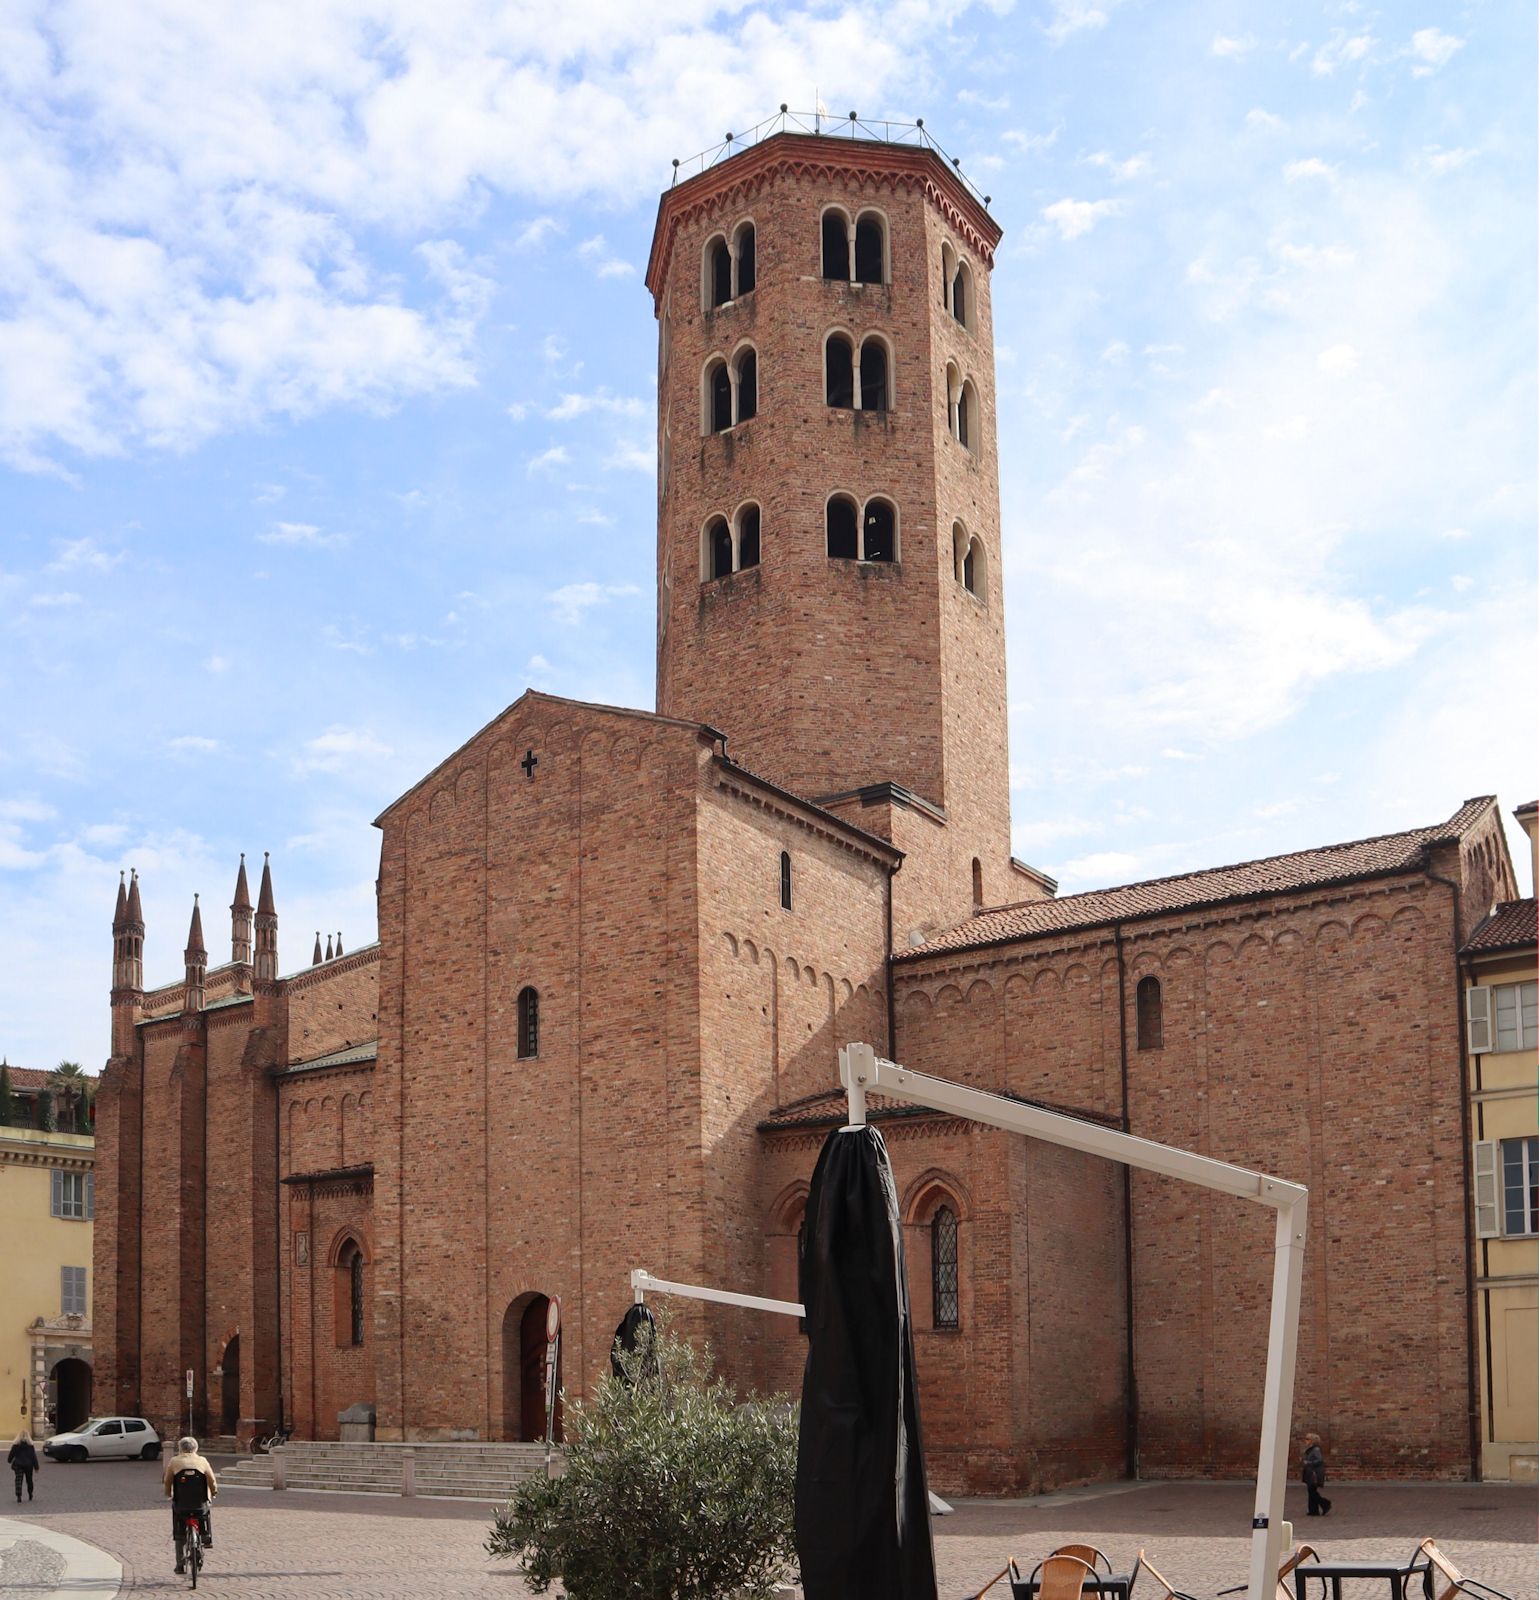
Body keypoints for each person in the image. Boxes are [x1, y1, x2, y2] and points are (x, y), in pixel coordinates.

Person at [162, 1435, 218, 1574]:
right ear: (195, 1448)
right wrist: (214, 1492)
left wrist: (169, 1494)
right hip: (200, 1504)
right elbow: (211, 1480)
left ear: (180, 1448)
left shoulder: (174, 1461)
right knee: (206, 1512)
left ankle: (180, 1564)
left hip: (182, 1504)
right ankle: (206, 1536)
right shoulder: (202, 1461)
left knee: (179, 1527)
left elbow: (167, 1481)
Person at [1302, 1431, 1331, 1517]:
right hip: (1310, 1472)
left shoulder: (1316, 1450)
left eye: (1307, 1439)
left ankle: (1325, 1503)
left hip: (1314, 1473)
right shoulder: (1311, 1450)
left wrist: (1308, 1462)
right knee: (1311, 1491)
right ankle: (1313, 1510)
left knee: (1312, 1491)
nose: (1305, 1441)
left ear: (1312, 1440)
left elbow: (1319, 1460)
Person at [8, 1430, 39, 1502]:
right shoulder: (30, 1445)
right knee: (29, 1480)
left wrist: (9, 1460)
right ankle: (30, 1494)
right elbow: (33, 1456)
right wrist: (36, 1466)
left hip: (19, 1464)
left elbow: (11, 1454)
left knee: (18, 1480)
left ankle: (19, 1496)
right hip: (29, 1465)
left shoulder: (16, 1445)